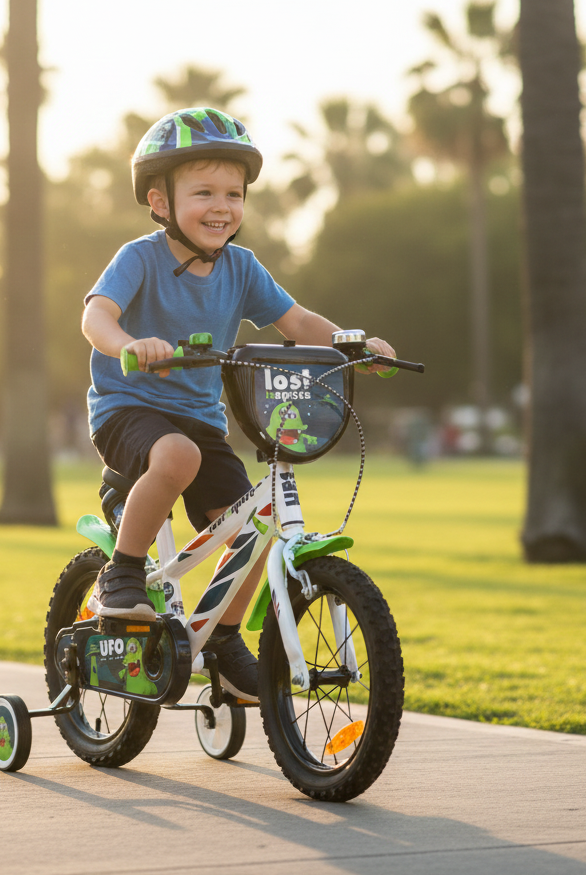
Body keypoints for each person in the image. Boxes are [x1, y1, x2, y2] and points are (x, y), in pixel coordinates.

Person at [80, 108, 395, 701]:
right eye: (203, 192)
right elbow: (96, 315)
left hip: (202, 421)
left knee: (257, 526)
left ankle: (223, 641)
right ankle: (121, 570)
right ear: (160, 201)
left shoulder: (242, 268)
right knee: (174, 458)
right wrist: (129, 345)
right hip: (129, 406)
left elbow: (298, 321)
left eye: (233, 192)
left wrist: (350, 343)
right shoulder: (139, 258)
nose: (221, 205)